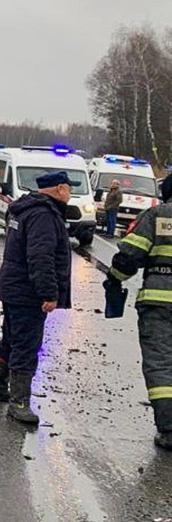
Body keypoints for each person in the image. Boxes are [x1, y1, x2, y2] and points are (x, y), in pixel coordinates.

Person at [0, 170, 74, 424]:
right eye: (69, 188)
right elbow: (40, 257)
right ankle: (19, 402)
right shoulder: (44, 215)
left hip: (13, 286)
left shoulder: (25, 209)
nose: (71, 193)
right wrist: (48, 293)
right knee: (26, 344)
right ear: (59, 189)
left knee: (10, 338)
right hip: (27, 291)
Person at [106, 178, 172, 449]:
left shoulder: (157, 216)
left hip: (160, 304)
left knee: (161, 365)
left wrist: (114, 278)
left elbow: (130, 256)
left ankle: (169, 429)